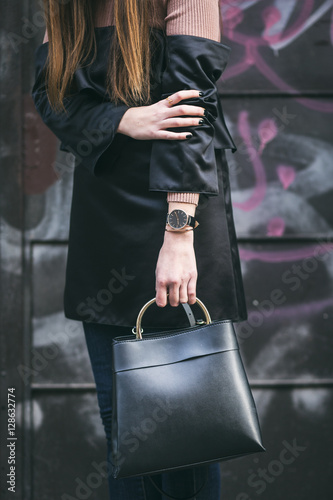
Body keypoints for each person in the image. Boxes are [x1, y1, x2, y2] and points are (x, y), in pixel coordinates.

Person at [32, 0, 248, 498]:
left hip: (179, 219)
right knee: (125, 435)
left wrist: (178, 232)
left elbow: (192, 109)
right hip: (103, 224)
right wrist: (121, 120)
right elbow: (51, 94)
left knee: (184, 438)